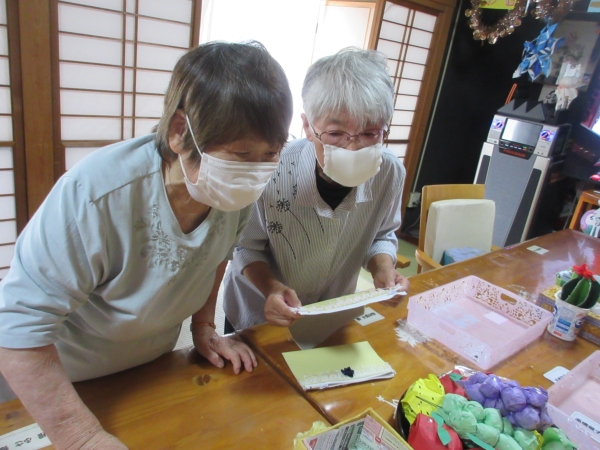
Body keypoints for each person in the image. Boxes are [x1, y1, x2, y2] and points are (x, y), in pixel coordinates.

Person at [0, 41, 292, 448]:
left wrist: (204, 326)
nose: (255, 172)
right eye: (241, 154)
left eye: (271, 154)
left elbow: (215, 259)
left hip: (148, 369)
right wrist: (81, 438)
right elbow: (17, 329)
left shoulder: (233, 193)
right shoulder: (95, 195)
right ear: (179, 132)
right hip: (58, 386)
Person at [222, 48, 409, 332]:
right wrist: (271, 288)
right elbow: (244, 246)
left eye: (370, 133)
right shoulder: (271, 170)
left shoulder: (389, 172)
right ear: (308, 127)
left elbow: (382, 235)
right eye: (335, 134)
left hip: (331, 310)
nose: (353, 148)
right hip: (259, 311)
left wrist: (383, 267)